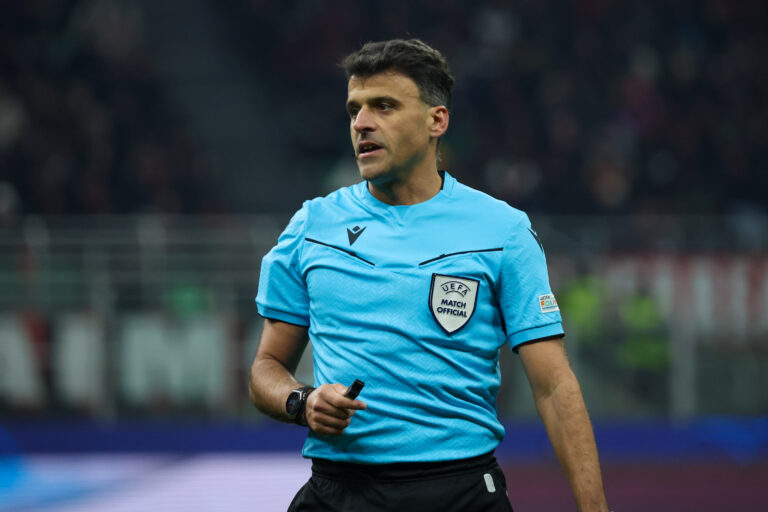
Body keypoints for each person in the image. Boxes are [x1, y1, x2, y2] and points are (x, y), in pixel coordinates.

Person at [249, 38, 609, 512]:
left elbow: (554, 385)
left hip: (458, 492)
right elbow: (265, 370)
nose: (362, 124)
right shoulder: (311, 226)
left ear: (436, 120)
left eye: (384, 106)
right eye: (354, 109)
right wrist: (303, 401)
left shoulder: (502, 230)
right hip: (337, 493)